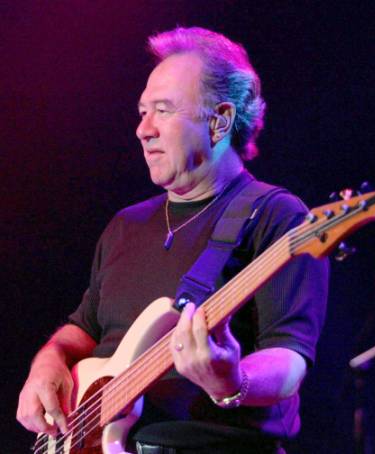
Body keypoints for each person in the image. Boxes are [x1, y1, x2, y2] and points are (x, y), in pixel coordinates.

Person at [17, 27, 329, 453]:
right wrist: (47, 362)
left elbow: (289, 359)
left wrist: (232, 382)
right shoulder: (126, 225)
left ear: (219, 121)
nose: (142, 130)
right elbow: (82, 330)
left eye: (162, 111)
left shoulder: (275, 215)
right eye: (142, 112)